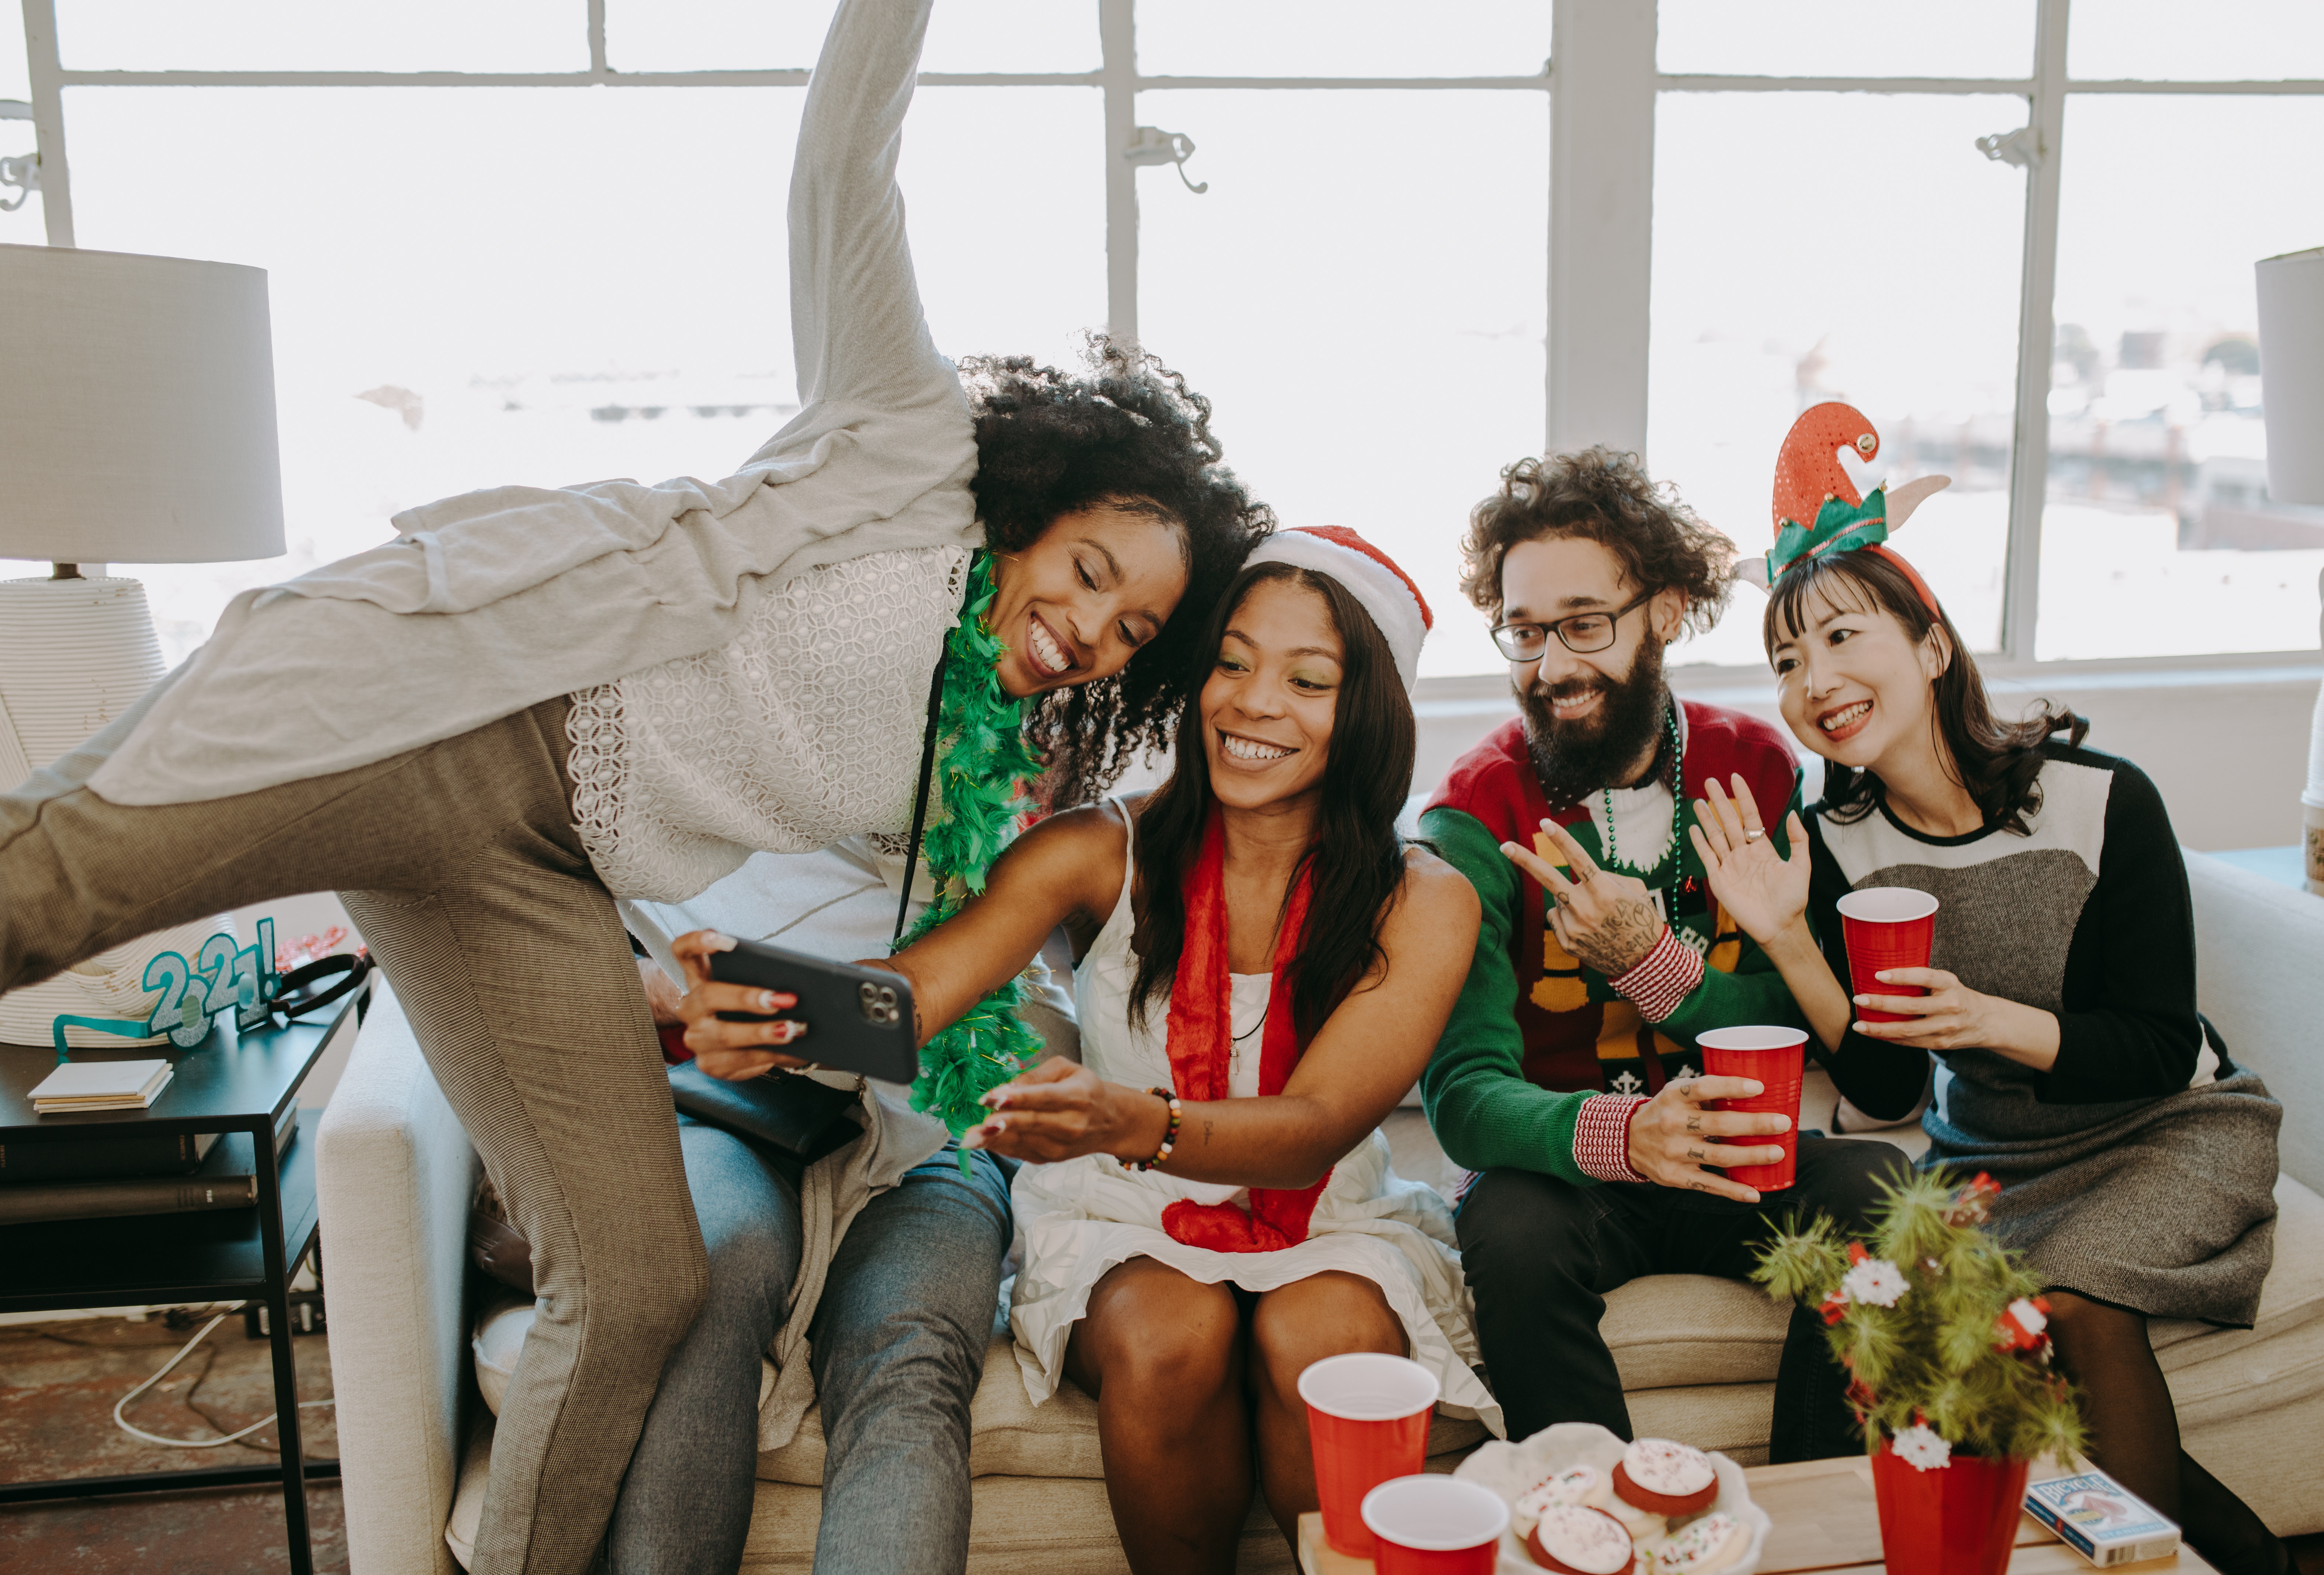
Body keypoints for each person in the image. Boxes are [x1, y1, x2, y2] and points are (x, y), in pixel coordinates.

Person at [0, 1, 1264, 1570]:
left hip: (540, 865)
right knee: (45, 887)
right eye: (1089, 571)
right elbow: (841, 168)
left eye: (1131, 633)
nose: (1089, 630)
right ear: (1037, 505)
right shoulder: (906, 450)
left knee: (641, 1278)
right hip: (433, 713)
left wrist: (725, 1001)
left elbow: (908, 972)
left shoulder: (980, 742)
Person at [679, 527, 1493, 1575]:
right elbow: (920, 992)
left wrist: (1131, 1119)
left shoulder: (1424, 898)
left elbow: (1313, 1131)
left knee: (1323, 1338)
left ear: (1370, 712)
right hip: (1124, 1210)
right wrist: (779, 1013)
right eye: (1232, 662)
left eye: (1308, 681)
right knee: (1167, 1338)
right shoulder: (1096, 849)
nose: (1253, 703)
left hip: (1327, 1213)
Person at [1684, 404, 2288, 1575]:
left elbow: (2160, 1045)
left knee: (2074, 1303)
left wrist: (1990, 1021)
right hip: (1987, 1166)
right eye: (1788, 662)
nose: (1814, 679)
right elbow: (1885, 1091)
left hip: (2169, 1130)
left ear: (1930, 646)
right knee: (1945, 1334)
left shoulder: (2101, 802)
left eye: (1842, 637)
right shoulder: (1832, 844)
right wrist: (1792, 942)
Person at [1417, 448, 1911, 1455]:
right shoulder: (1471, 815)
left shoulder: (1755, 766)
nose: (1552, 667)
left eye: (1586, 624)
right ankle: (1594, 1515)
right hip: (1569, 1174)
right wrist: (1626, 1134)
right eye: (1525, 631)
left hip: (1738, 1156)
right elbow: (1463, 1095)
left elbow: (1795, 1007)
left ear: (1669, 611)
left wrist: (1654, 968)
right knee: (1508, 1231)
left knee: (1884, 1189)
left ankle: (1810, 1509)